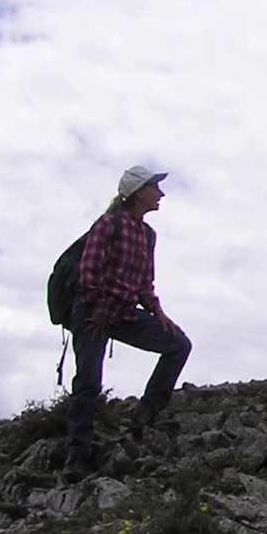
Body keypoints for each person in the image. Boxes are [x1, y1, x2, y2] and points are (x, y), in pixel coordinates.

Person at [65, 165, 191, 472]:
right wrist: (98, 310)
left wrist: (158, 313)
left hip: (120, 313)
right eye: (154, 188)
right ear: (138, 193)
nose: (160, 194)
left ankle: (146, 413)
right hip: (93, 314)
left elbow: (143, 285)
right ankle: (77, 454)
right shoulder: (109, 225)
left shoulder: (148, 235)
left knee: (178, 346)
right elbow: (88, 273)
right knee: (88, 383)